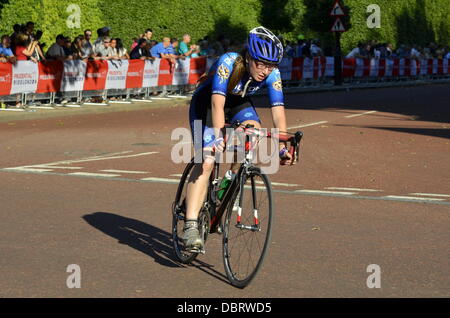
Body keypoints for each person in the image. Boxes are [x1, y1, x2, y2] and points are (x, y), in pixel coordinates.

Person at [182, 26, 293, 251]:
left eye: (271, 65)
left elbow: (278, 111)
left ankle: (229, 181)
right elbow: (217, 104)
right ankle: (191, 225)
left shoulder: (273, 74)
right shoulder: (229, 62)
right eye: (261, 63)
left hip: (238, 103)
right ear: (249, 57)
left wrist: (282, 146)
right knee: (206, 159)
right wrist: (218, 134)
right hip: (207, 103)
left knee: (253, 131)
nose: (265, 70)